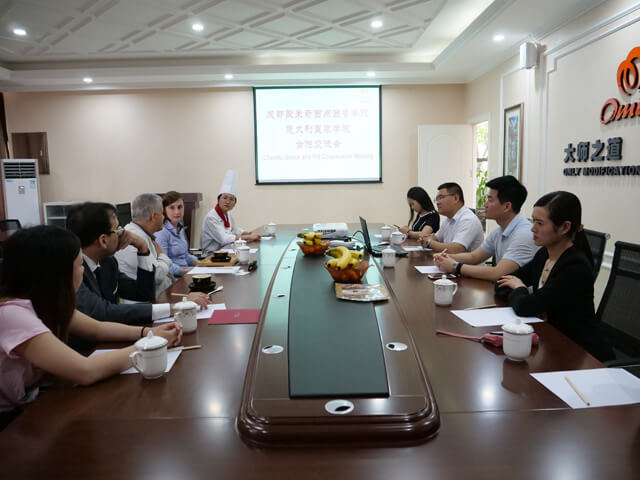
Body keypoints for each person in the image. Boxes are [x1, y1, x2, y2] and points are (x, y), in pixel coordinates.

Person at [0, 226, 183, 429]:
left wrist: (149, 333)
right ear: (55, 274)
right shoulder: (13, 315)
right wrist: (149, 346)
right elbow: (85, 371)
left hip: (29, 405)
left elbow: (97, 328)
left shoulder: (45, 303)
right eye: (79, 265)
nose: (82, 272)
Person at [495, 191, 613, 361]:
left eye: (540, 223)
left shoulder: (575, 266)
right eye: (533, 220)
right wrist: (525, 298)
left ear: (565, 227)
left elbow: (525, 306)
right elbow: (501, 283)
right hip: (549, 342)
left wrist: (520, 288)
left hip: (580, 352)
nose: (532, 228)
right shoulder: (544, 254)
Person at [66, 202, 209, 328]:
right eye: (118, 230)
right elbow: (104, 312)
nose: (123, 234)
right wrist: (176, 307)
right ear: (103, 240)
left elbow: (143, 293)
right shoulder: (72, 272)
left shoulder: (107, 263)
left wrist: (143, 249)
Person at [434, 176, 539, 281]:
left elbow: (498, 273)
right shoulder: (499, 231)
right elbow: (474, 257)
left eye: (490, 200)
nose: (485, 204)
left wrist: (455, 266)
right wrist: (445, 257)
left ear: (507, 206)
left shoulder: (524, 234)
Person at [115, 194, 174, 297]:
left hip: (161, 293)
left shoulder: (142, 233)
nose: (164, 217)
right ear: (153, 216)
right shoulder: (133, 238)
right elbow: (155, 275)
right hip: (146, 301)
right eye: (162, 214)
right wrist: (163, 256)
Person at [200, 170, 261, 255]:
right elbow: (224, 239)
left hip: (226, 251)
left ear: (234, 204)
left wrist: (249, 234)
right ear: (218, 200)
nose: (228, 202)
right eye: (225, 198)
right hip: (211, 255)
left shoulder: (227, 214)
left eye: (231, 199)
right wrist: (249, 237)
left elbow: (236, 229)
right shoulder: (211, 217)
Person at [419, 182, 484, 253]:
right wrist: (425, 239)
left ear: (456, 198)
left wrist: (429, 242)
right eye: (437, 199)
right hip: (448, 259)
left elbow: (456, 249)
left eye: (441, 198)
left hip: (462, 260)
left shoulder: (468, 219)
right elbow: (436, 238)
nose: (437, 203)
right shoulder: (448, 220)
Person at [155, 191, 199, 277]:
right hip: (173, 278)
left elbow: (185, 256)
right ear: (164, 210)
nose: (177, 212)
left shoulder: (179, 227)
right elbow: (164, 263)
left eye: (180, 207)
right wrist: (186, 273)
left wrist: (202, 264)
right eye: (172, 208)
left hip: (185, 272)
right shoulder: (162, 232)